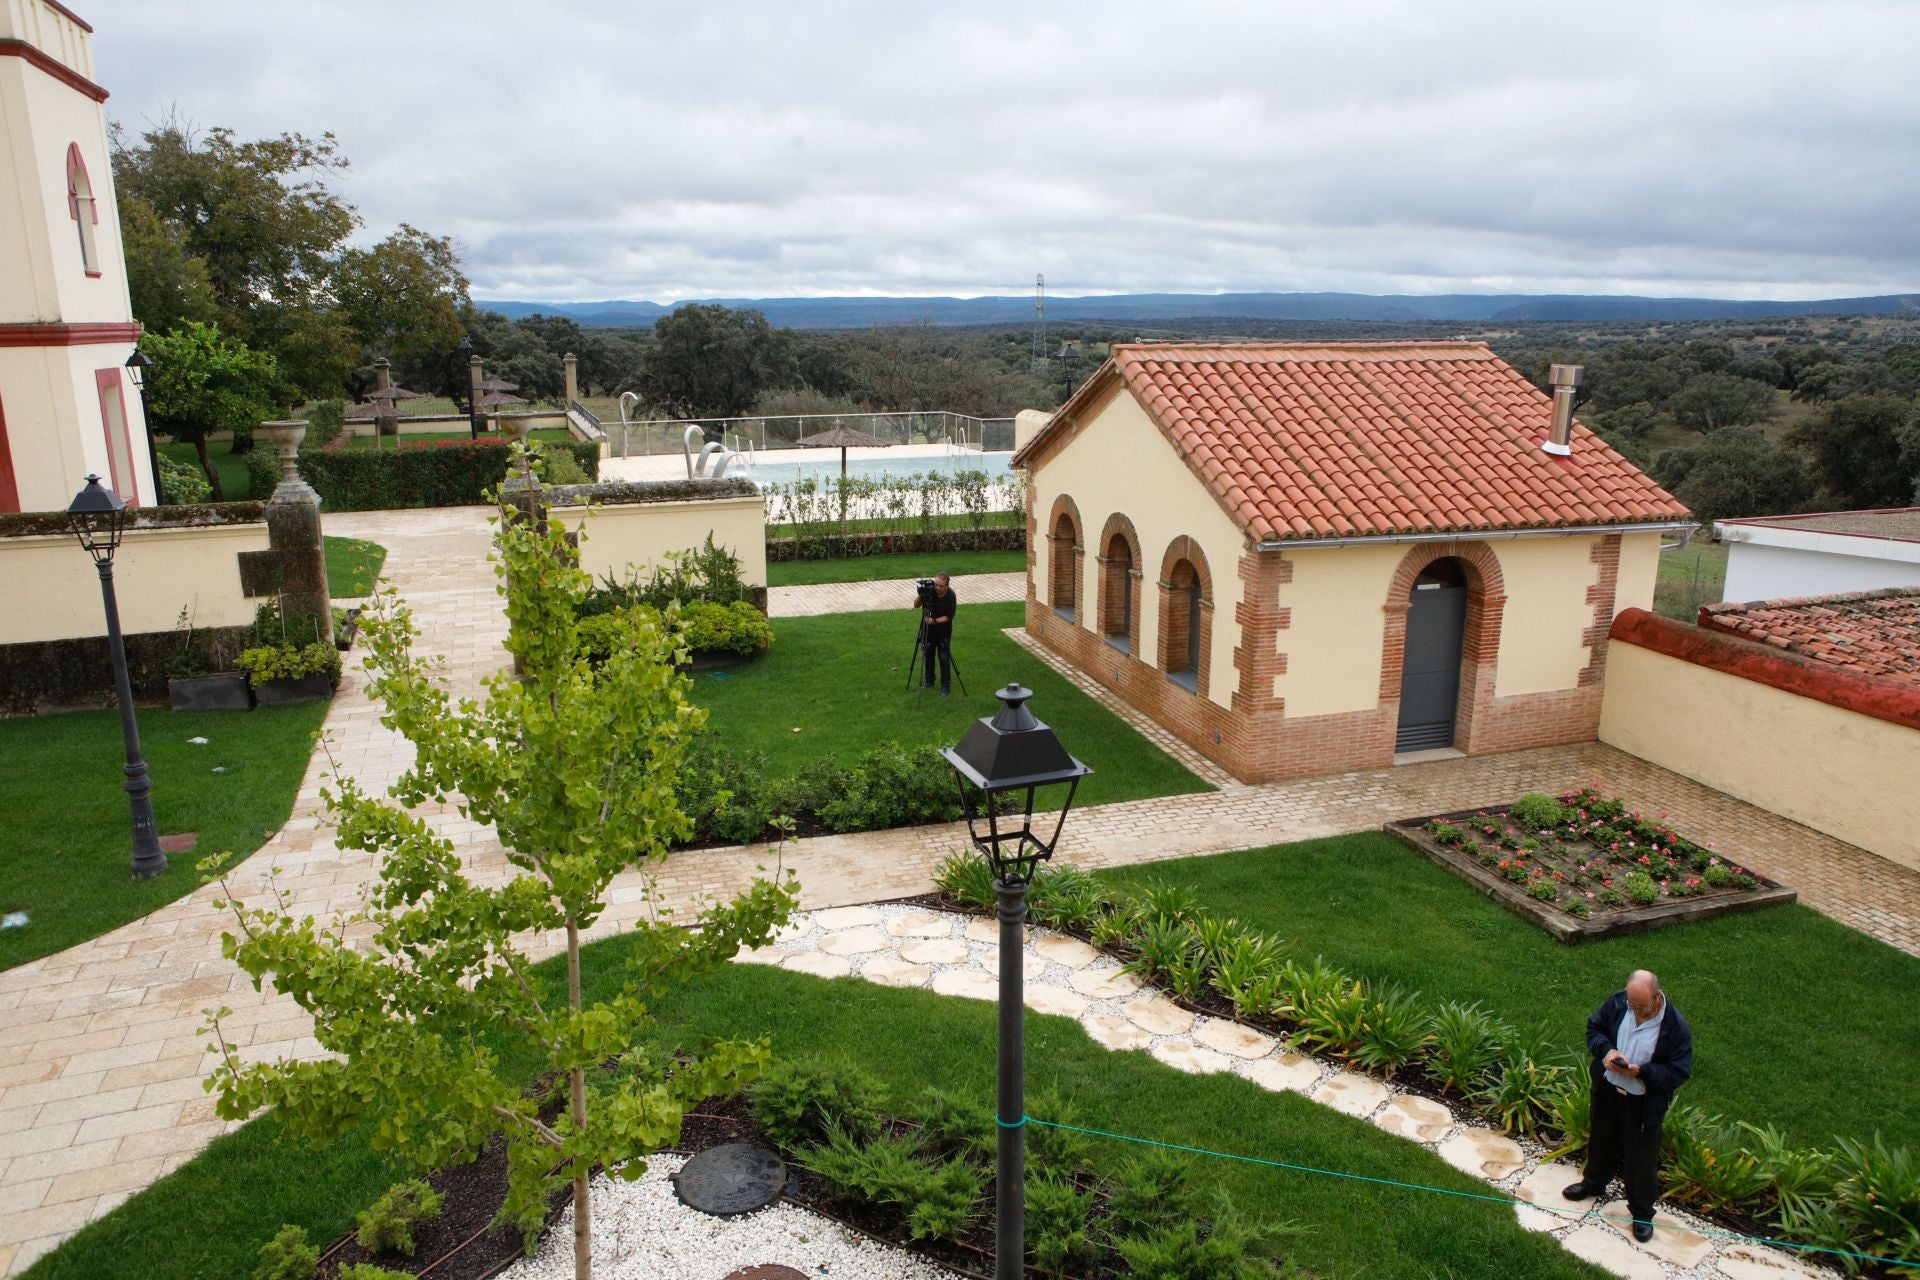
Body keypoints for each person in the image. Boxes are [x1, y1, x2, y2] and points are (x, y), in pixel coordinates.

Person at [1563, 969, 1693, 1242]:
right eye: (1632, 1005)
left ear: (1657, 997)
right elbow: (1594, 1029)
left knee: (1641, 1158)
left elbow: (1678, 1072)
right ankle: (1593, 1183)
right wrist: (1607, 1051)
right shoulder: (1618, 1003)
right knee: (1601, 1140)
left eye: (1642, 1007)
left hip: (1643, 1102)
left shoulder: (1674, 1027)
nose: (1636, 1011)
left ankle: (1642, 1213)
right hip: (1610, 1089)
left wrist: (1642, 1072)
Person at [916, 572, 957, 696]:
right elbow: (916, 605)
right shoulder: (930, 591)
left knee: (944, 659)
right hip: (928, 631)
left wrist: (934, 621)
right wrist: (921, 595)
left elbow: (949, 617)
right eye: (936, 584)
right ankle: (929, 681)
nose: (937, 588)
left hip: (943, 632)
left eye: (940, 586)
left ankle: (945, 686)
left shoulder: (951, 596)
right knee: (928, 657)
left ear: (946, 586)